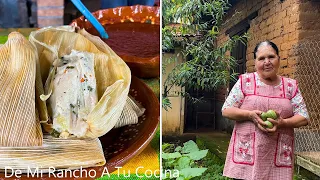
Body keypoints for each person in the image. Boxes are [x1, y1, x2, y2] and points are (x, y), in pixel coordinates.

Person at [221, 41, 309, 180]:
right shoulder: (245, 82)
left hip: (278, 153)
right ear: (255, 62)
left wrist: (282, 123)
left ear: (279, 59)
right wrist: (250, 115)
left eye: (271, 57)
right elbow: (226, 110)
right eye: (261, 58)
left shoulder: (290, 86)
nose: (267, 62)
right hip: (247, 153)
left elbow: (304, 117)